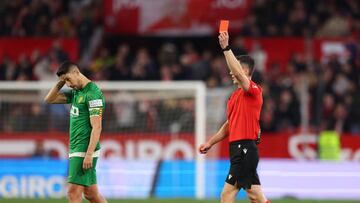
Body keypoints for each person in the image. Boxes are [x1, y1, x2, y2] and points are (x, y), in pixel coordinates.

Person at [198, 32, 270, 203]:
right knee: (256, 197)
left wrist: (226, 48)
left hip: (245, 148)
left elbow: (239, 74)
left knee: (229, 195)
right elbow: (229, 125)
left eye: (234, 67)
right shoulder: (233, 97)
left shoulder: (254, 91)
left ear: (244, 70)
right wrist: (210, 142)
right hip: (239, 149)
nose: (231, 71)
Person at [44, 61, 107, 203]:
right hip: (76, 146)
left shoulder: (93, 94)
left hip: (84, 148)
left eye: (68, 79)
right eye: (64, 81)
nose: (68, 84)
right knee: (91, 195)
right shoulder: (76, 92)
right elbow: (49, 99)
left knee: (73, 193)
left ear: (76, 72)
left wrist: (89, 154)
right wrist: (61, 81)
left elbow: (97, 127)